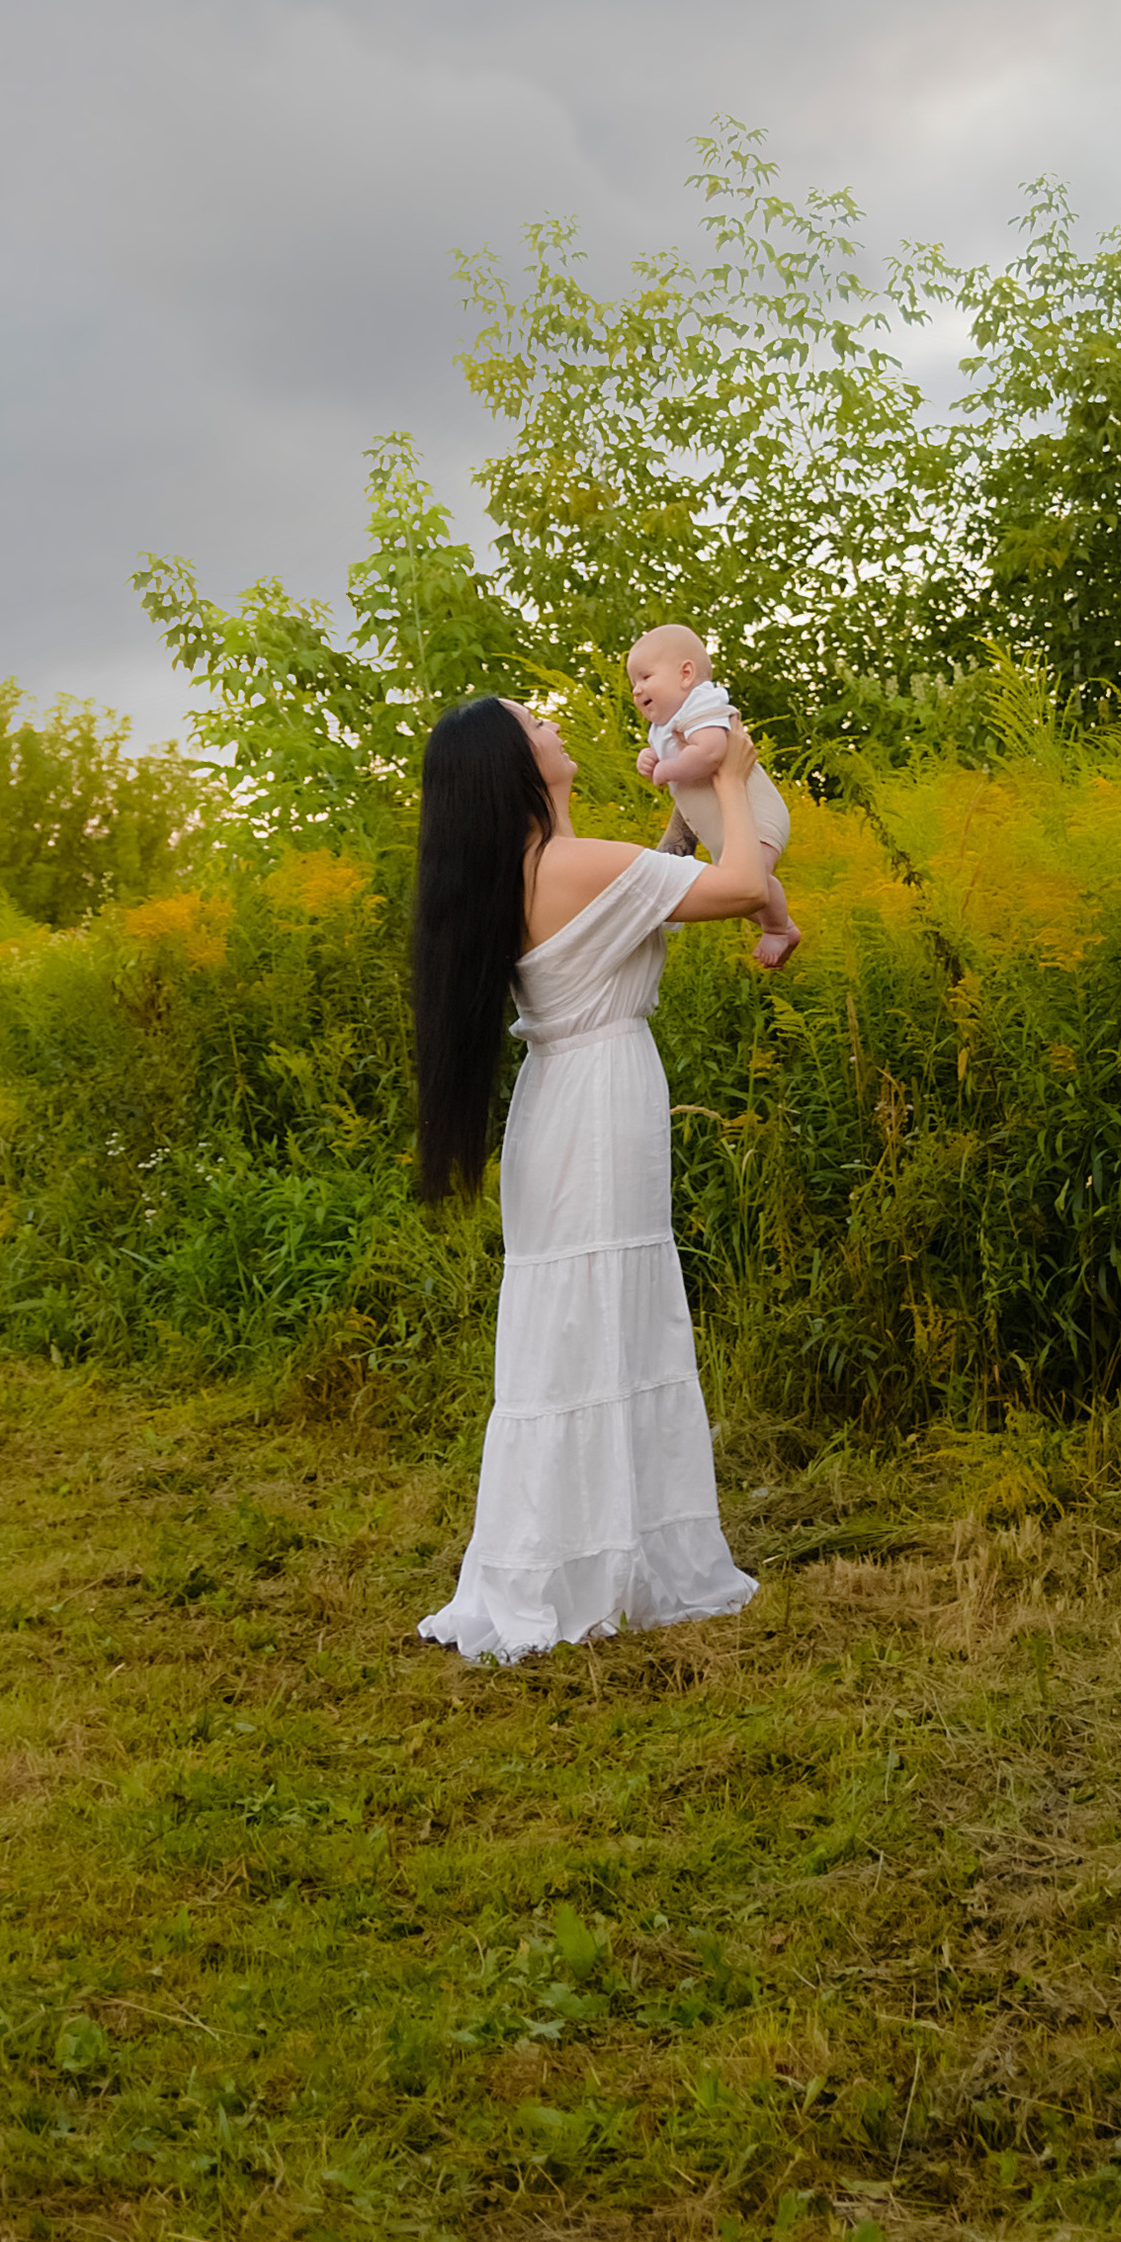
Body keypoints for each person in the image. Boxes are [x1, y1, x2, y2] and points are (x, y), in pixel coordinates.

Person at [408, 693, 771, 1660]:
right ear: (512, 768)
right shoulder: (570, 866)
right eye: (537, 726)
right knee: (601, 1318)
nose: (556, 730)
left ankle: (588, 1550)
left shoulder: (532, 868)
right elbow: (740, 888)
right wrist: (729, 780)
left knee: (578, 1327)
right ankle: (596, 1558)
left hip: (563, 1104)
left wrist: (679, 817)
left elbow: (652, 885)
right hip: (599, 1106)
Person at [628, 622, 800, 970]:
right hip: (726, 829)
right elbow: (676, 756)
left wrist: (666, 770)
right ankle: (781, 925)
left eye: (645, 677)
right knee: (734, 892)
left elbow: (710, 752)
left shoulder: (701, 704)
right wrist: (650, 759)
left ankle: (779, 929)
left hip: (755, 817)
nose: (637, 689)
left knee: (757, 882)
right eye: (633, 683)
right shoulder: (665, 724)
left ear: (686, 674)